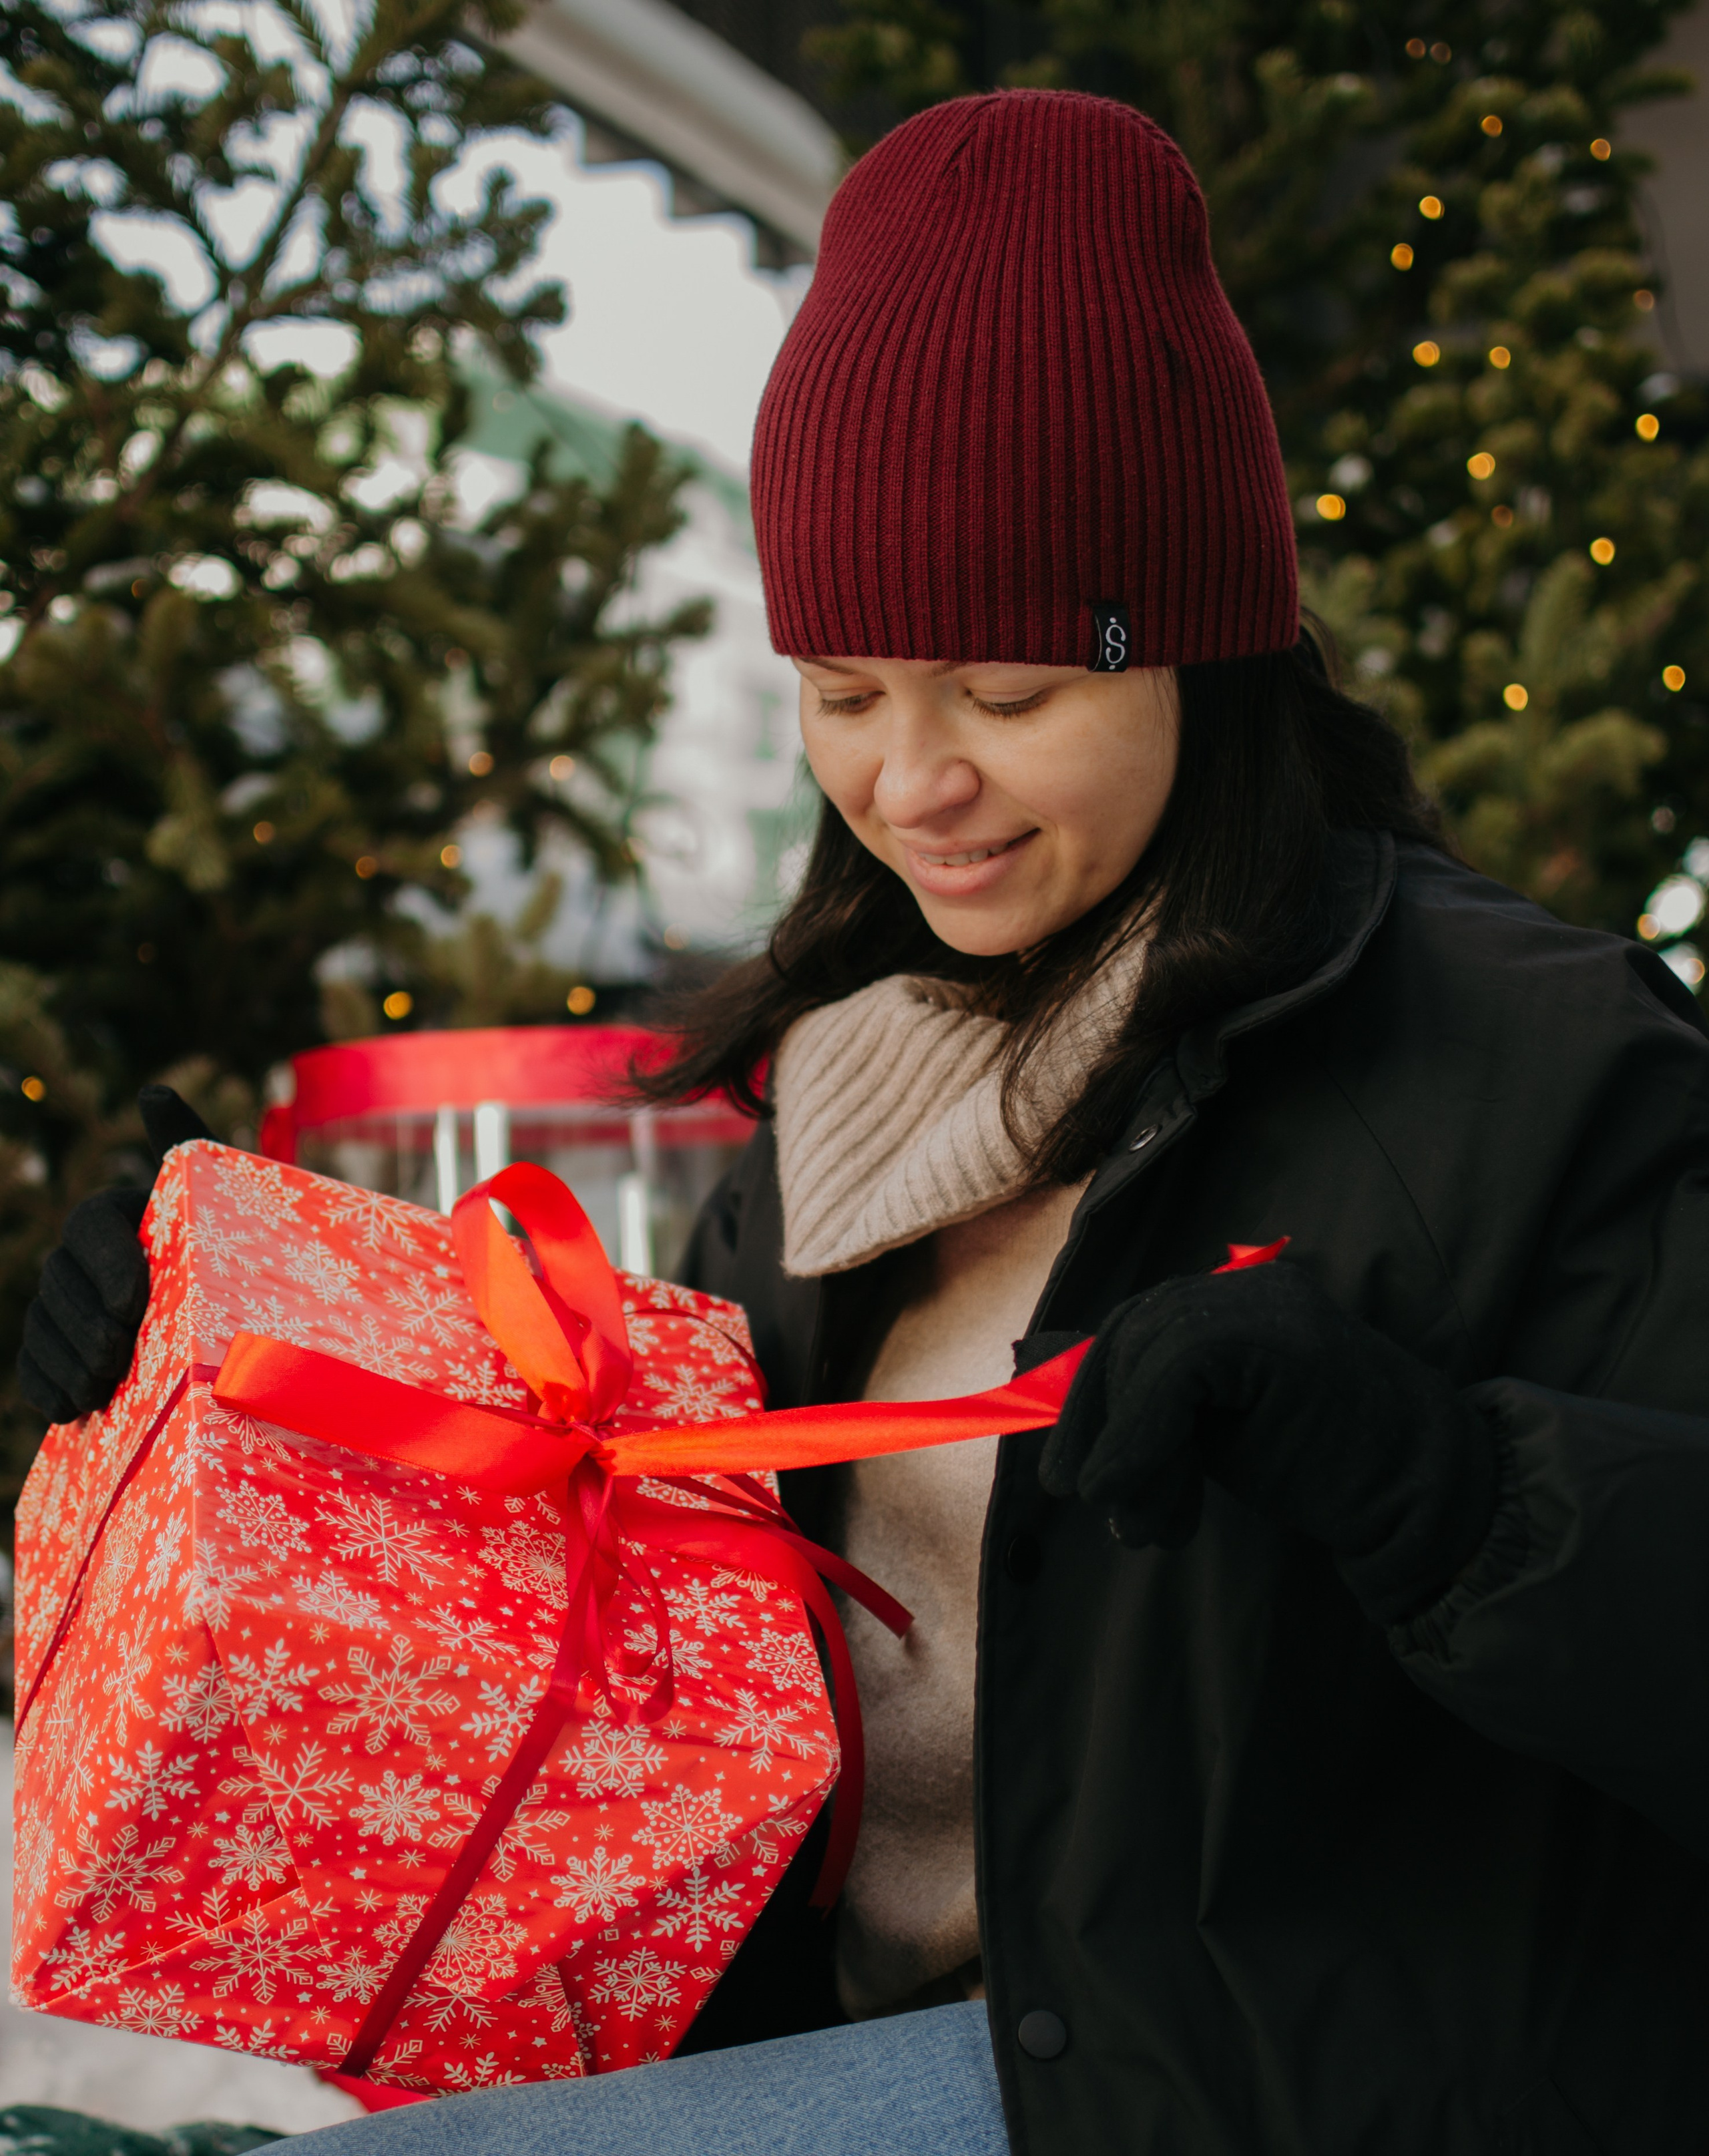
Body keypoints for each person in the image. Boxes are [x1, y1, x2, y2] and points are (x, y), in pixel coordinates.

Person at [23, 89, 1709, 2156]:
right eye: (842, 690)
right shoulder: (848, 1082)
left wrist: (1448, 1493)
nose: (914, 782)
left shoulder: (1534, 1067)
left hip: (1280, 2084)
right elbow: (641, 1587)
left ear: (1202, 646)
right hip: (840, 2037)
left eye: (1005, 693)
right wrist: (211, 1373)